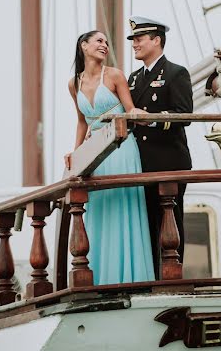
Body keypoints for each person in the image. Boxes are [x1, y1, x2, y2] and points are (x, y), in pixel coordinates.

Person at [66, 30, 155, 285]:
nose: (104, 45)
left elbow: (129, 110)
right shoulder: (74, 83)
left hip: (121, 149)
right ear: (84, 46)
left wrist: (139, 113)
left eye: (106, 42)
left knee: (123, 206)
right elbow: (83, 121)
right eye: (99, 41)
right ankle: (103, 279)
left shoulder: (115, 75)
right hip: (95, 153)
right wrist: (75, 152)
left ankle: (132, 278)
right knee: (101, 209)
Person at [127, 16, 193, 278]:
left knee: (171, 223)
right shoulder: (133, 79)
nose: (135, 45)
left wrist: (150, 118)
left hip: (168, 161)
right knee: (147, 224)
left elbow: (183, 115)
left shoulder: (176, 73)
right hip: (141, 164)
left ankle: (171, 277)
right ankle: (150, 277)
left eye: (139, 39)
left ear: (156, 40)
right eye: (133, 40)